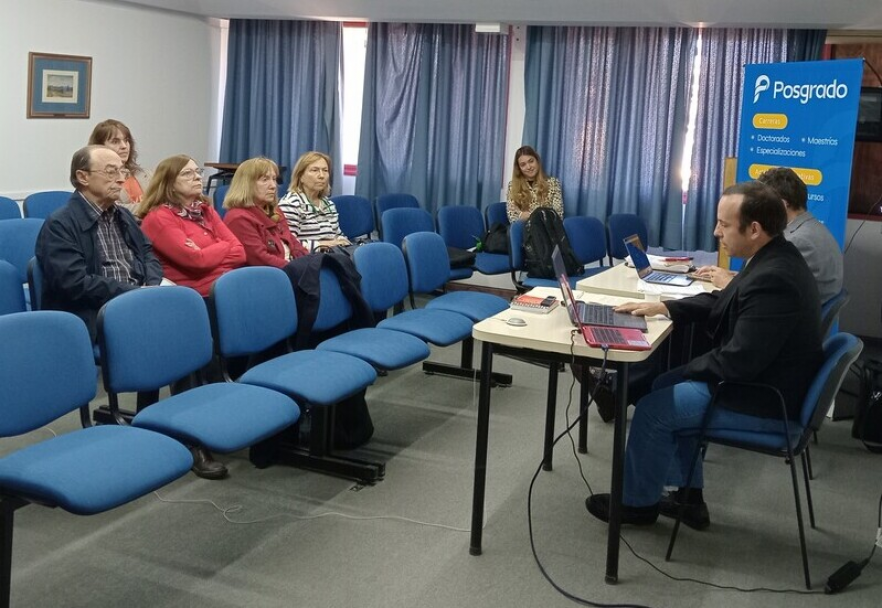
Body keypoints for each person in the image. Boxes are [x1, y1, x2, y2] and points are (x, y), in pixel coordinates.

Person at [585, 181, 824, 529]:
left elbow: (738, 361)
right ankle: (688, 497)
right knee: (663, 382)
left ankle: (637, 505)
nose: (716, 232)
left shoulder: (775, 278)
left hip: (764, 400)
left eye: (724, 224)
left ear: (754, 229)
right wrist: (663, 306)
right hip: (765, 383)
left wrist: (689, 369)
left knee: (654, 408)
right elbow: (725, 300)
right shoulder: (774, 257)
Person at [36, 145, 163, 343]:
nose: (121, 179)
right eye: (112, 171)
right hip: (95, 313)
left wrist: (151, 287)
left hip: (137, 302)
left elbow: (147, 253)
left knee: (181, 323)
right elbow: (75, 284)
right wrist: (135, 294)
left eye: (123, 171)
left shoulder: (124, 215)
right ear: (83, 177)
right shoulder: (60, 224)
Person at [693, 167, 843, 303]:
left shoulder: (796, 241)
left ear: (781, 205)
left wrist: (728, 283)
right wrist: (733, 276)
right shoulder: (810, 227)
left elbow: (769, 292)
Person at [138, 155, 246, 296]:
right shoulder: (159, 218)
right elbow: (197, 262)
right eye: (187, 173)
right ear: (169, 184)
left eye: (197, 172)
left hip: (225, 286)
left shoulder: (206, 210)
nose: (197, 177)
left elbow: (240, 253)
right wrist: (223, 244)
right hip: (193, 296)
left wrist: (207, 253)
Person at [223, 157, 309, 267]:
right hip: (268, 276)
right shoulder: (238, 218)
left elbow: (293, 242)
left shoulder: (274, 211)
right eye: (265, 180)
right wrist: (296, 269)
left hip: (289, 269)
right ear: (247, 184)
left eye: (274, 179)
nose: (273, 186)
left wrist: (306, 262)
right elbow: (260, 259)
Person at [278, 151, 350, 253]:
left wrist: (343, 241)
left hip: (333, 256)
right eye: (315, 170)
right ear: (301, 176)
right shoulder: (290, 204)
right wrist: (322, 245)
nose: (321, 175)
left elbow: (338, 236)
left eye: (325, 170)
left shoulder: (328, 204)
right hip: (308, 261)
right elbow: (287, 244)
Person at [88, 119, 151, 214]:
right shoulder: (97, 179)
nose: (124, 146)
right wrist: (154, 207)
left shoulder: (146, 174)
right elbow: (114, 209)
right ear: (99, 146)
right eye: (115, 141)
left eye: (126, 140)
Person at [505, 146, 563, 224]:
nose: (528, 167)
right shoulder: (512, 186)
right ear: (519, 168)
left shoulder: (553, 183)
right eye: (523, 165)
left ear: (537, 161)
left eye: (531, 161)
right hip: (524, 230)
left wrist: (526, 215)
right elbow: (512, 217)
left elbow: (558, 215)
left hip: (547, 230)